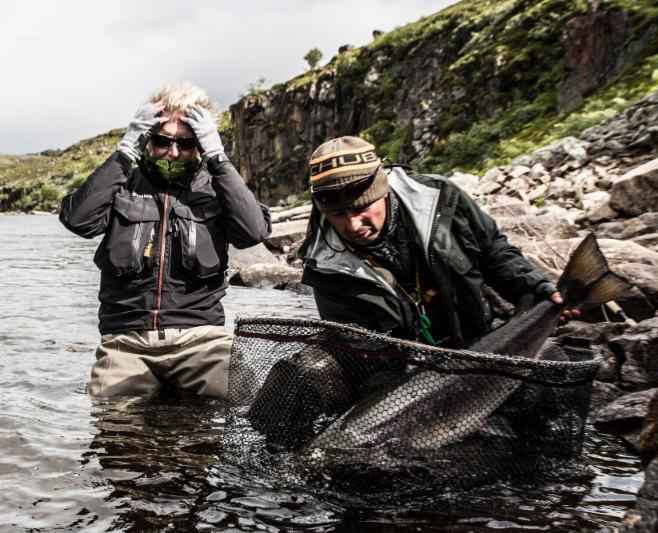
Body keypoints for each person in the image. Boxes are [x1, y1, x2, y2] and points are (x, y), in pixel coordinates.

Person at [60, 82, 270, 398]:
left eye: (186, 143)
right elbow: (78, 220)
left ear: (199, 144)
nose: (173, 152)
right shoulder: (122, 185)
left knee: (243, 403)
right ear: (147, 138)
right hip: (126, 340)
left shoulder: (216, 188)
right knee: (113, 420)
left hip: (203, 339)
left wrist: (217, 156)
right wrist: (125, 150)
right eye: (162, 140)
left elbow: (253, 231)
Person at [298, 136, 578, 349]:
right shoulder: (323, 264)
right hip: (402, 363)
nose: (353, 225)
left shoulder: (441, 199)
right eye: (337, 215)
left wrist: (534, 287)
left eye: (361, 209)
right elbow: (357, 343)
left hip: (477, 339)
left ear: (383, 192)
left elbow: (493, 252)